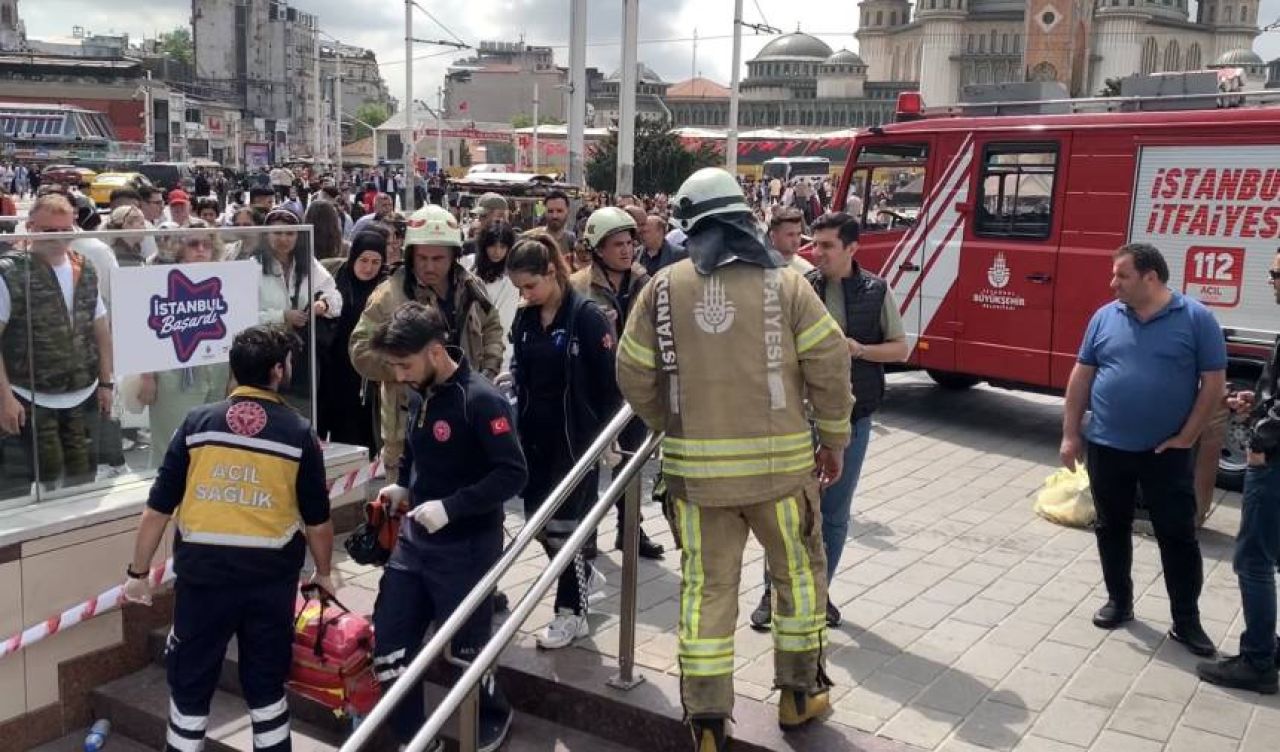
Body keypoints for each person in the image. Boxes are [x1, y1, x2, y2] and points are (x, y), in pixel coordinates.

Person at [616, 167, 852, 751]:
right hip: (782, 476)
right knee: (796, 579)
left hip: (697, 481)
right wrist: (835, 437)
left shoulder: (662, 289)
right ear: (746, 220)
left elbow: (632, 371)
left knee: (706, 590)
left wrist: (668, 421)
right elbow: (830, 364)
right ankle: (799, 697)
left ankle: (706, 724)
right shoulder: (789, 286)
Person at [121, 325, 335, 752]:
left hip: (204, 584)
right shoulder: (297, 433)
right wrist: (325, 574)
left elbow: (157, 510)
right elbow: (318, 522)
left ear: (235, 371)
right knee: (267, 689)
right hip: (268, 585)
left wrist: (138, 573)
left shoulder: (197, 424)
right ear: (278, 370)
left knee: (190, 689)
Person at [367, 302, 525, 751]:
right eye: (394, 366)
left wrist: (452, 508)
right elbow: (418, 449)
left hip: (466, 546)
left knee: (464, 650)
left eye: (405, 364)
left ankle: (494, 712)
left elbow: (513, 474)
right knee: (391, 649)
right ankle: (418, 739)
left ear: (435, 352)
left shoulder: (481, 399)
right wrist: (402, 487)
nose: (399, 375)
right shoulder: (422, 392)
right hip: (414, 545)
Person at [1060, 243, 1224, 657]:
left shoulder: (1196, 319)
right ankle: (1119, 601)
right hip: (1107, 445)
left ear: (1151, 277)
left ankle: (1186, 621)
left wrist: (1188, 436)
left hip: (1164, 453)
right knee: (1110, 526)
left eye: (1122, 275)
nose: (1112, 283)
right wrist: (1070, 434)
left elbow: (1214, 385)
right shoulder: (1105, 316)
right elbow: (1081, 376)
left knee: (1177, 535)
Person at [751, 212, 909, 632]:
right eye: (813, 243)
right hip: (798, 419)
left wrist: (858, 349)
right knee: (788, 512)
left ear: (852, 248)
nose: (815, 252)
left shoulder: (876, 291)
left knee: (834, 514)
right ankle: (774, 594)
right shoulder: (801, 286)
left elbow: (900, 350)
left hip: (852, 417)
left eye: (826, 246)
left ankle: (819, 595)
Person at [508, 232, 618, 648]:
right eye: (520, 288)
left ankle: (571, 611)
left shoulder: (585, 316)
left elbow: (610, 384)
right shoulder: (525, 318)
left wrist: (607, 438)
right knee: (537, 522)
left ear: (552, 272)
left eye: (531, 285)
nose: (526, 294)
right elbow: (523, 365)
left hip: (577, 439)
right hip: (535, 436)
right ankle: (580, 575)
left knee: (567, 528)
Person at [350, 204, 504, 484]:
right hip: (409, 427)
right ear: (410, 255)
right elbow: (360, 349)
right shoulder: (389, 295)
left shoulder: (470, 287)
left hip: (467, 419)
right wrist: (404, 367)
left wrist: (488, 372)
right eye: (422, 258)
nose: (430, 266)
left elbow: (492, 325)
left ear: (454, 257)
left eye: (438, 258)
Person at [1197, 249, 1280, 694]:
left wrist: (1262, 442)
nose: (1271, 281)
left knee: (1253, 560)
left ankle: (1258, 662)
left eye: (1275, 273)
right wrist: (1256, 406)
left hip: (1275, 467)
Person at [0, 194, 115, 491]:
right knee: (37, 484)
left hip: (83, 393)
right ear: (31, 228)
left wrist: (106, 383)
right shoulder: (10, 272)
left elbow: (101, 330)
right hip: (29, 395)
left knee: (82, 481)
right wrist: (5, 398)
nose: (59, 237)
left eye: (66, 228)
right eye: (50, 230)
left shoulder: (85, 268)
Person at [570, 207, 664, 561]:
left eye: (629, 243)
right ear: (596, 248)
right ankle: (587, 533)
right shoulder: (578, 286)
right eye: (616, 244)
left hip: (635, 390)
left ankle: (631, 531)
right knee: (588, 466)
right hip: (593, 391)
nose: (626, 251)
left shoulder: (647, 282)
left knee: (632, 464)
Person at [317, 231, 387, 454]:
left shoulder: (385, 290)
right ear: (353, 257)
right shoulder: (334, 279)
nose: (369, 268)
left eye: (376, 262)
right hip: (330, 368)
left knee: (357, 436)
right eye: (363, 260)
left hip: (363, 377)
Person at [461, 222, 520, 372]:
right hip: (464, 342)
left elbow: (502, 322)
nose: (497, 252)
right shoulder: (468, 265)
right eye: (493, 245)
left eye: (502, 247)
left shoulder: (510, 280)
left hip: (494, 349)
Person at [462, 193, 510, 258]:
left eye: (483, 216)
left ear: (500, 216)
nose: (479, 219)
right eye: (479, 216)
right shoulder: (470, 246)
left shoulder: (516, 247)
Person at [768, 208, 814, 274]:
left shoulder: (808, 271)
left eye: (798, 234)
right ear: (773, 236)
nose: (796, 241)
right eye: (790, 235)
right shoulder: (757, 267)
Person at [541, 190, 576, 259]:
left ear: (568, 211)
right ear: (544, 212)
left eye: (559, 211)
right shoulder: (535, 239)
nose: (554, 216)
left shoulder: (572, 240)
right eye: (550, 211)